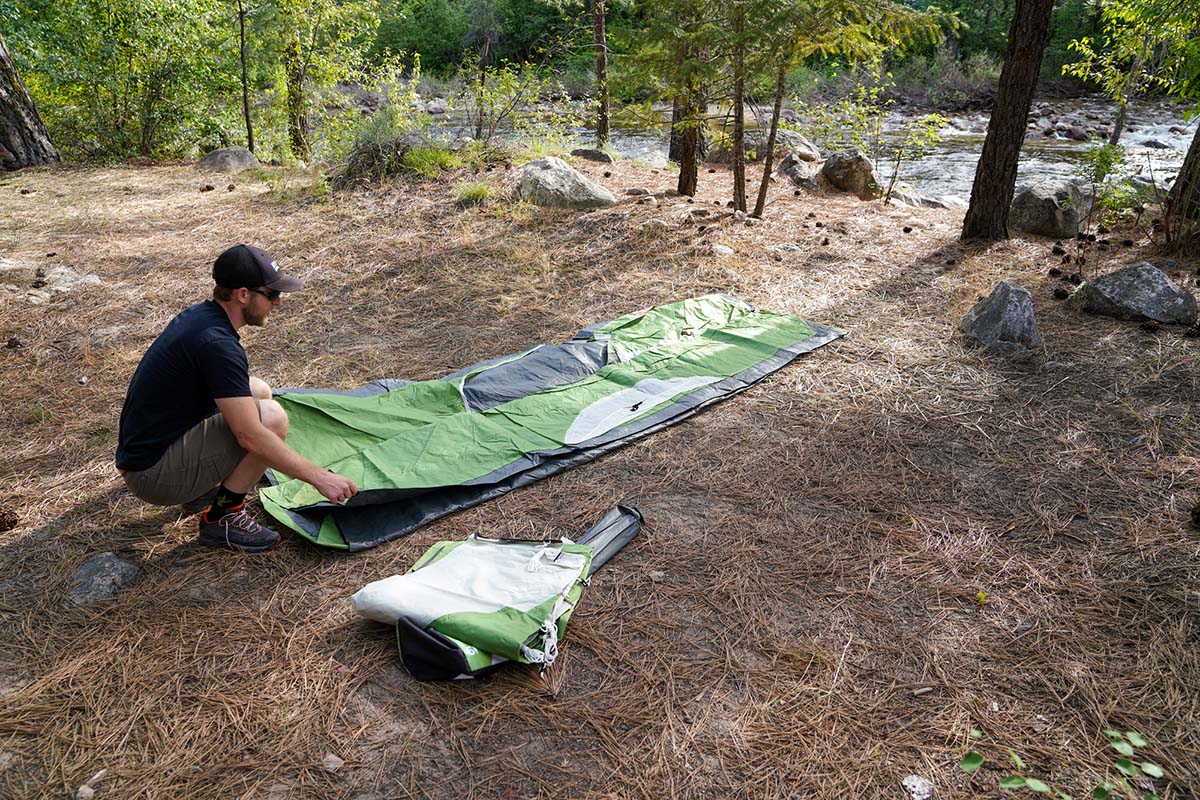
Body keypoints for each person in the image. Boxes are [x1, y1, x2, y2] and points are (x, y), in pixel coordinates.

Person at [115, 244, 358, 552]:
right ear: (243, 295)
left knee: (258, 390)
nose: (279, 302)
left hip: (150, 449)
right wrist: (320, 477)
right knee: (271, 420)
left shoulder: (203, 316)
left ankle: (207, 488)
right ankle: (222, 516)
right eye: (271, 294)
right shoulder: (218, 345)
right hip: (152, 476)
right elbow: (250, 436)